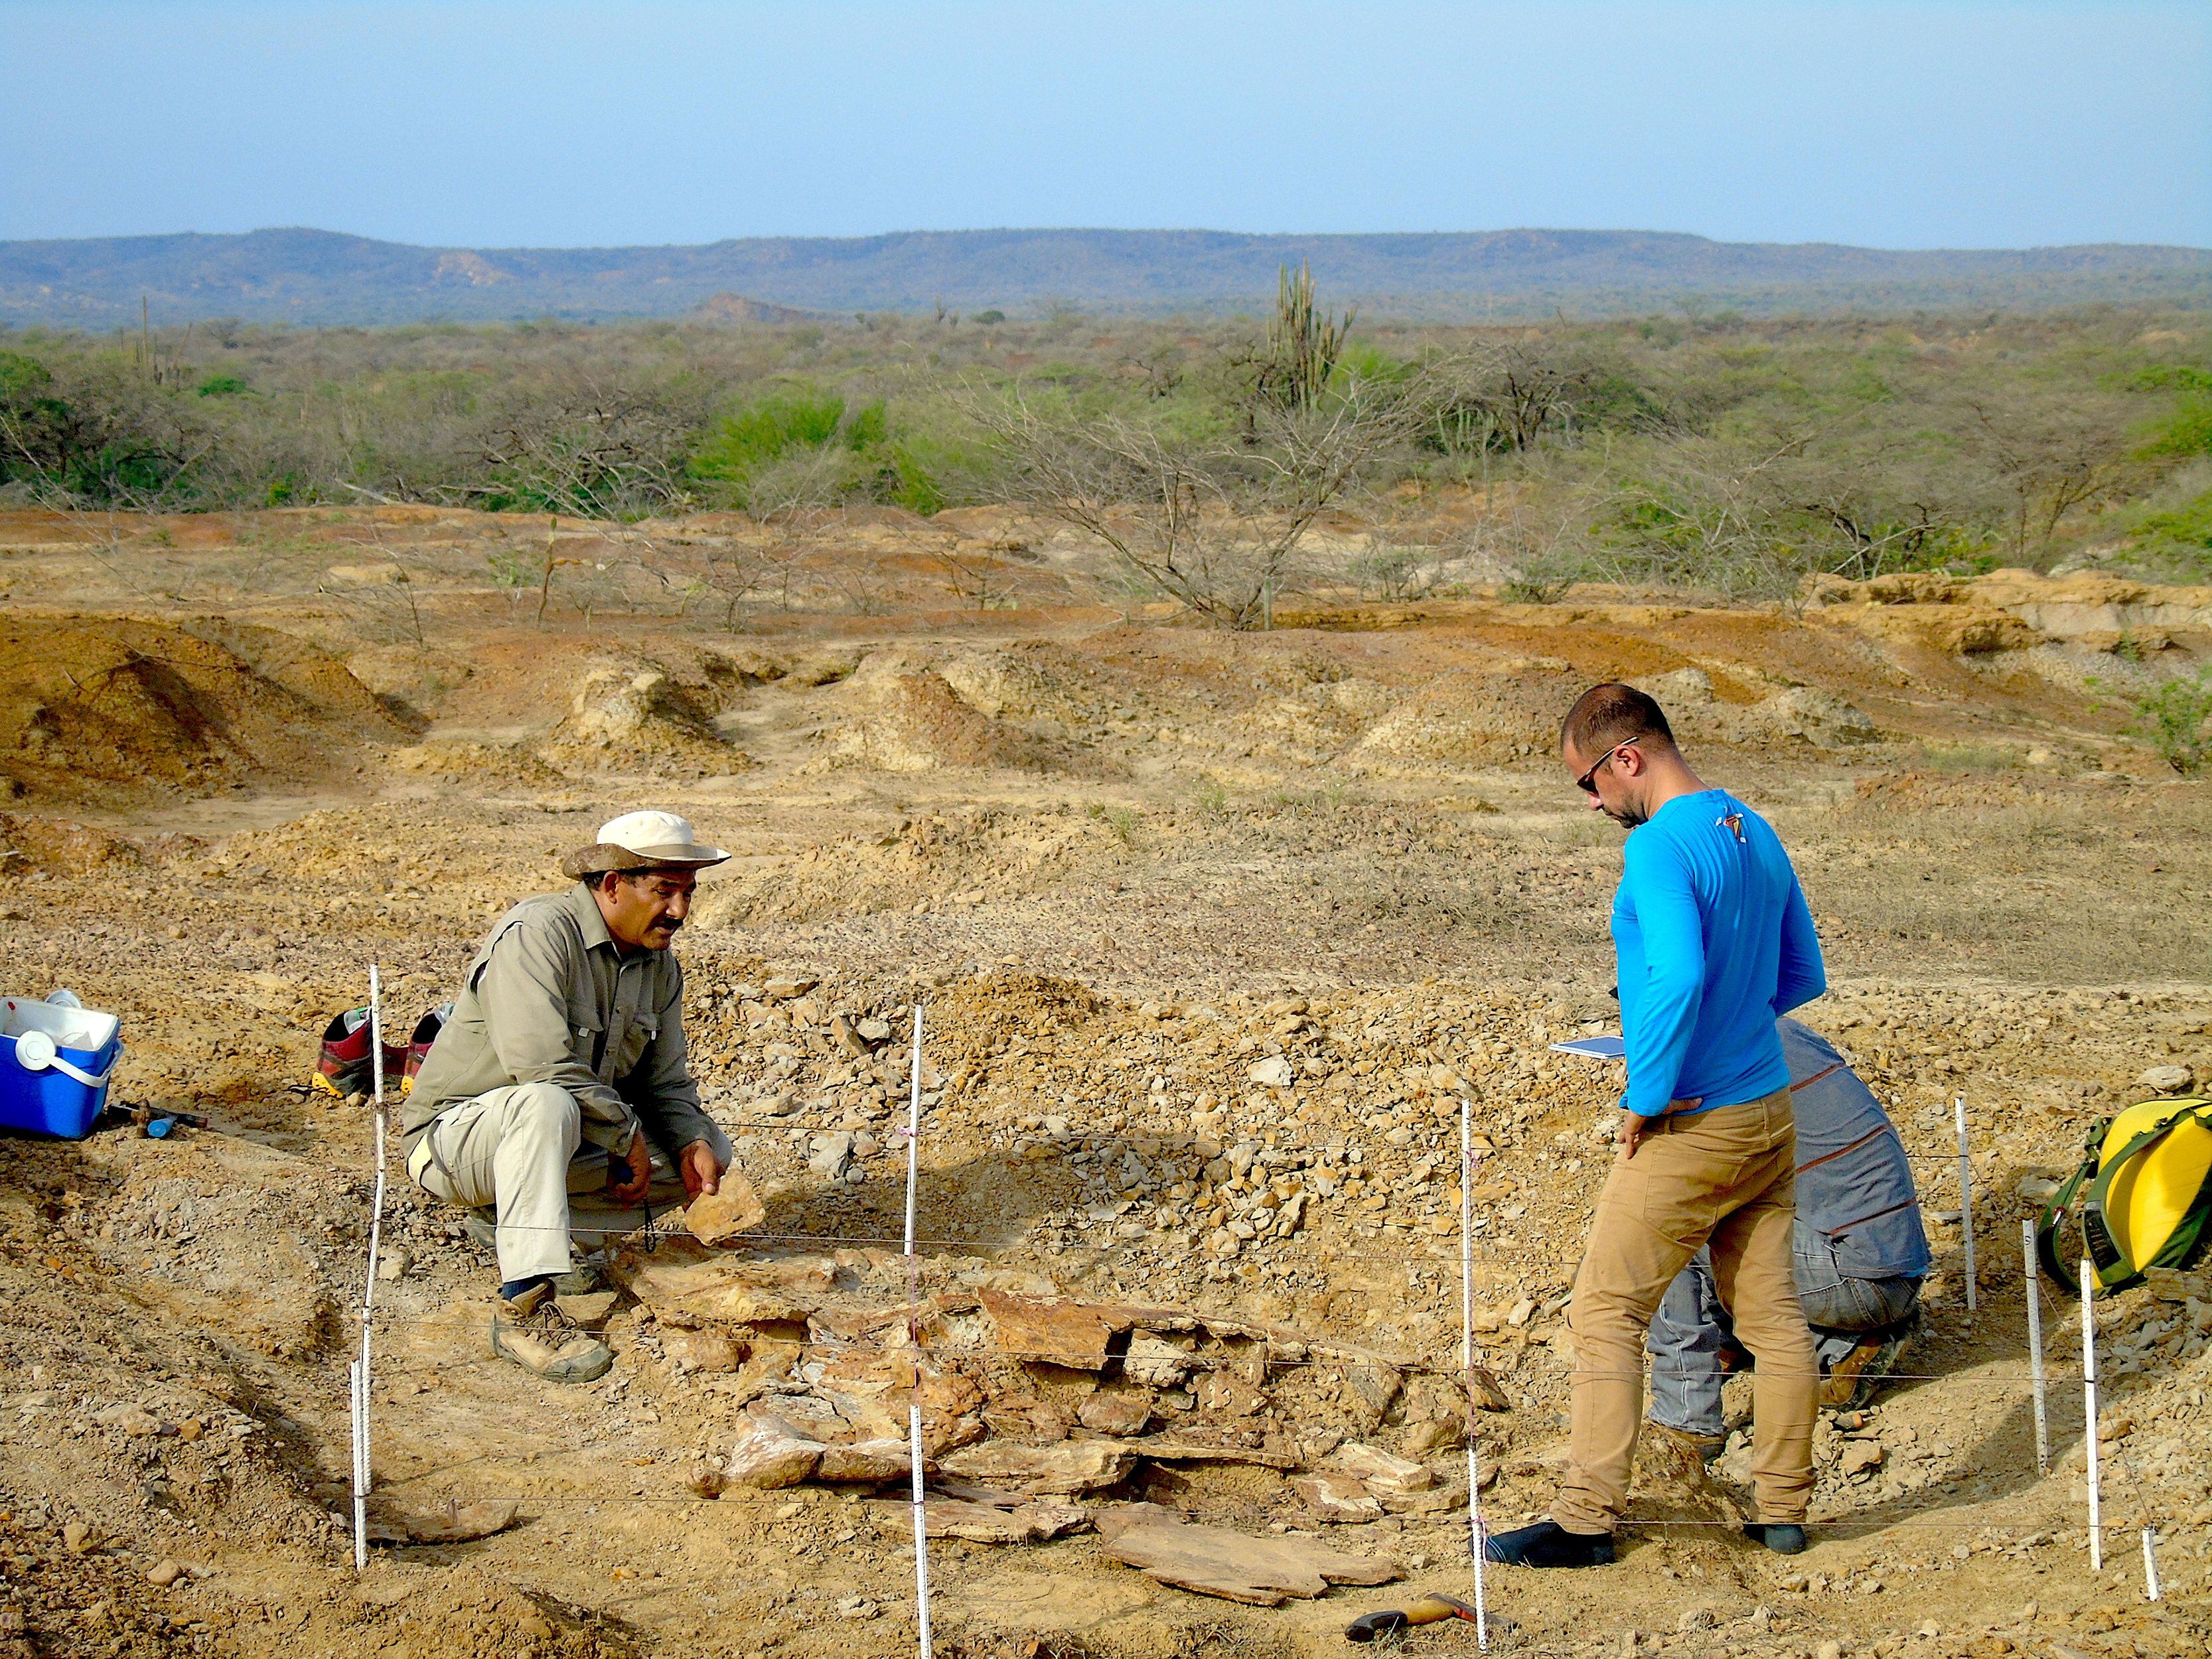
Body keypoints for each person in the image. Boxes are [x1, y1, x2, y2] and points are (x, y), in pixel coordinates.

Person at [1487, 683, 1827, 1569]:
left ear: (1627, 757)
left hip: (1698, 1120)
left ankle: (1585, 1521)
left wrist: (1650, 1091)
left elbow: (1675, 975)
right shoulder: (1752, 829)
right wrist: (1734, 1032)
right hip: (1769, 1110)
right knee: (1773, 1319)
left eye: (1588, 783)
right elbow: (1802, 974)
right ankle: (1782, 1511)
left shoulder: (1658, 847)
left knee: (1605, 1309)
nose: (1592, 802)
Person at [403, 810, 736, 1384]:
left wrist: (689, 1140)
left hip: (565, 1136)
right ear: (613, 885)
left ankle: (544, 1237)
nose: (680, 912)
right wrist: (624, 1134)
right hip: (456, 1144)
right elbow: (541, 1067)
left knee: (707, 1152)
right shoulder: (537, 933)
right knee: (545, 1103)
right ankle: (523, 1308)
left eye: (688, 893)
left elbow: (665, 1084)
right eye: (664, 892)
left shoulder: (658, 968)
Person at [1647, 1017, 1930, 1453]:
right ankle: (1831, 1347)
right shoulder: (1773, 1031)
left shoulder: (1713, 1059)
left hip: (1855, 1275)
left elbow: (1695, 1184)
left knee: (1667, 1234)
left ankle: (1687, 1421)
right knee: (1732, 1216)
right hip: (1893, 1267)